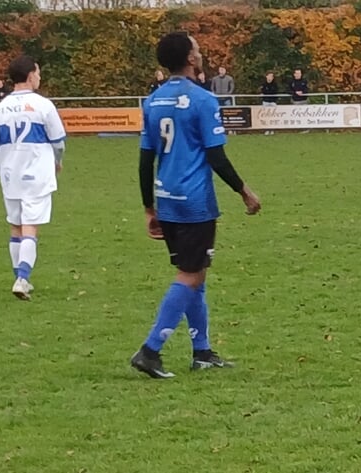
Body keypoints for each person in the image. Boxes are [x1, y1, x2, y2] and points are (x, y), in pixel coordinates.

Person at [131, 32, 261, 379]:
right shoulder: (203, 100)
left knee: (196, 275)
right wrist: (244, 191)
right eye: (198, 49)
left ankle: (202, 351)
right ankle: (150, 350)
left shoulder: (154, 101)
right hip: (195, 203)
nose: (201, 52)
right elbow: (216, 156)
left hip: (167, 200)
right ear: (190, 58)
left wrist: (148, 208)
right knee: (190, 275)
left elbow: (145, 160)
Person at [0, 55, 66, 300]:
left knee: (15, 226)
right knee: (30, 226)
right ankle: (23, 278)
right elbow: (58, 141)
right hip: (37, 173)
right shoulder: (43, 105)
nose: (39, 77)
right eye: (38, 73)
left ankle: (19, 277)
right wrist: (56, 161)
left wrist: (2, 172)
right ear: (30, 75)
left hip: (10, 175)